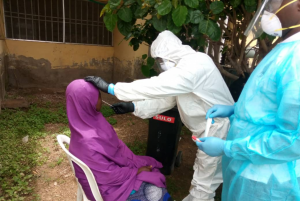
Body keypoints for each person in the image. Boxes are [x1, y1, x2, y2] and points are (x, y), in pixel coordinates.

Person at [84, 30, 235, 201]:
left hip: (218, 130)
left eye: (160, 60)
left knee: (204, 185)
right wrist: (133, 106)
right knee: (204, 178)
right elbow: (168, 100)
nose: (160, 65)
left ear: (170, 53)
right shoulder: (184, 70)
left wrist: (113, 88)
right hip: (208, 130)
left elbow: (158, 85)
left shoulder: (197, 64)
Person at [197, 0, 300, 200]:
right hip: (249, 167)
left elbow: (293, 140)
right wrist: (235, 109)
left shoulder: (297, 58)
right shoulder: (285, 50)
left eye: (277, 2)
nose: (269, 10)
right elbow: (269, 101)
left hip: (268, 180)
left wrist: (226, 147)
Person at [66, 79, 173, 201]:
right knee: (155, 192)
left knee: (150, 172)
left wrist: (132, 162)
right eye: (98, 97)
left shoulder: (86, 122)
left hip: (110, 175)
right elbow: (107, 176)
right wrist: (135, 171)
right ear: (87, 102)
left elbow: (116, 146)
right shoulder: (88, 141)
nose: (101, 100)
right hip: (108, 188)